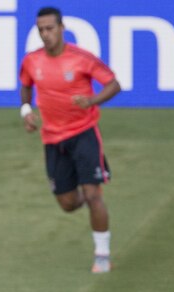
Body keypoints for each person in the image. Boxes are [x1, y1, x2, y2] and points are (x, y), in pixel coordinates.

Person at [19, 6, 121, 273]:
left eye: (50, 28)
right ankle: (88, 192)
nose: (46, 34)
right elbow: (26, 84)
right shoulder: (32, 60)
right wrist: (26, 109)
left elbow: (113, 84)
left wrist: (91, 101)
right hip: (53, 139)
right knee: (67, 203)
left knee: (93, 194)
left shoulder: (81, 58)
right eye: (41, 29)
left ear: (62, 29)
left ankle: (102, 254)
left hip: (84, 133)